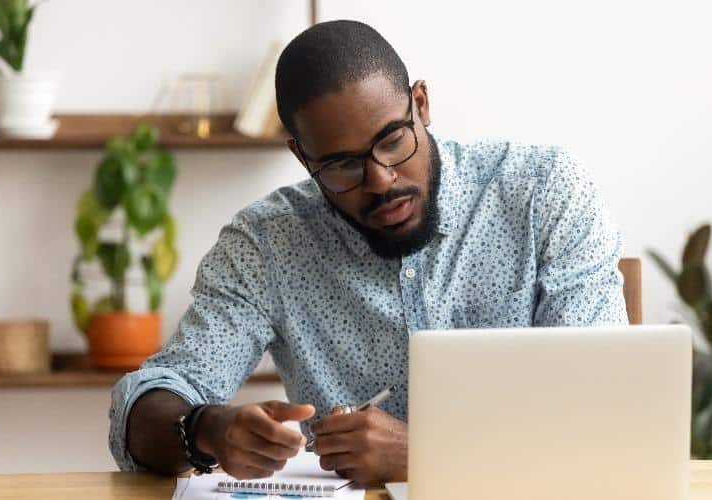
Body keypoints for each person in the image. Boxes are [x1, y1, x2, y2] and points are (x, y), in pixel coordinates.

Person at [110, 20, 627, 487]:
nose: (381, 181)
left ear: (420, 104)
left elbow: (604, 412)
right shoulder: (267, 244)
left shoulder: (545, 195)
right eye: (340, 165)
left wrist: (426, 456)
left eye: (392, 140)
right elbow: (145, 403)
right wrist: (207, 428)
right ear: (302, 156)